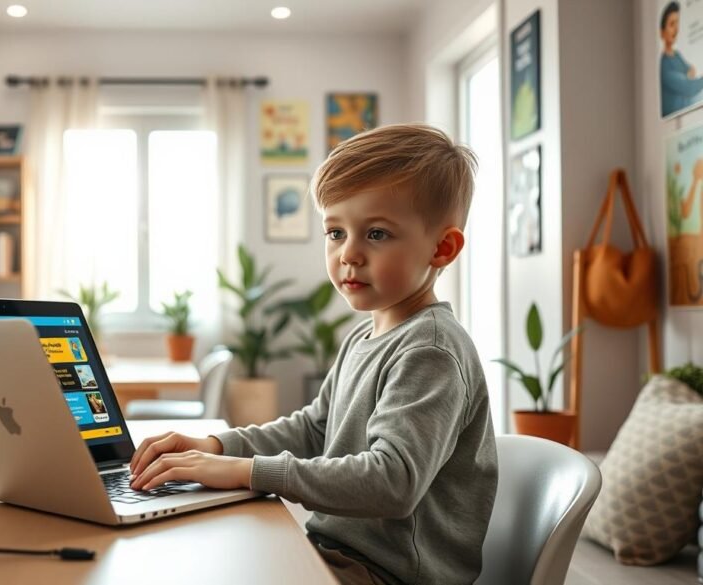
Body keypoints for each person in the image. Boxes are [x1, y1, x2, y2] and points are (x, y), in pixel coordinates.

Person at [129, 124, 498, 585]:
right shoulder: (366, 337)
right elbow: (314, 428)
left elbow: (393, 481)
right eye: (335, 232)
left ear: (442, 248)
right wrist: (215, 447)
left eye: (377, 234)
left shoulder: (431, 351)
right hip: (338, 553)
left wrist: (246, 471)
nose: (349, 254)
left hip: (386, 575)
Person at [660, 2, 703, 117]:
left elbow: (691, 70)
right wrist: (686, 79)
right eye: (671, 24)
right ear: (662, 32)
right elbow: (689, 87)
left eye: (677, 23)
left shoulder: (676, 55)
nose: (676, 29)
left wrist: (686, 79)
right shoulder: (664, 65)